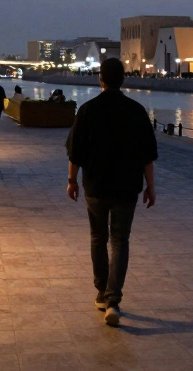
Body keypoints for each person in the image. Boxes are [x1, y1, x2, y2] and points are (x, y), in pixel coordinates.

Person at [65, 58, 157, 327]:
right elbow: (147, 156)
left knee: (97, 237)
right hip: (127, 187)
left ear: (100, 80)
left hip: (95, 185)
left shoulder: (88, 110)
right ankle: (113, 300)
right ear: (123, 79)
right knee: (120, 240)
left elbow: (75, 152)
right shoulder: (137, 111)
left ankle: (101, 293)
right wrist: (150, 187)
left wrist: (71, 181)